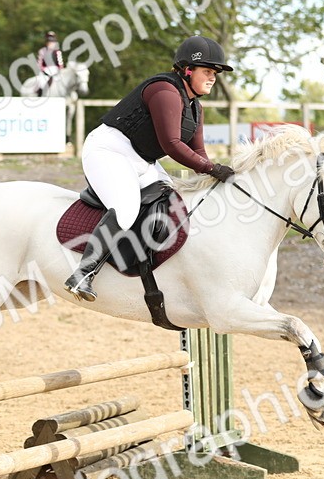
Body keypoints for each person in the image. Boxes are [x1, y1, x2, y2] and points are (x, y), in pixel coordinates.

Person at [64, 35, 236, 302]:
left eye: (215, 73)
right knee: (126, 208)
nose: (213, 77)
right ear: (187, 70)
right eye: (207, 71)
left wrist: (218, 176)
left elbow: (199, 153)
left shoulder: (195, 107)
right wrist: (212, 168)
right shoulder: (165, 91)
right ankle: (83, 274)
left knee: (174, 200)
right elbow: (172, 145)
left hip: (141, 159)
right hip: (108, 150)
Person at [36, 31, 64, 95]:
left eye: (53, 42)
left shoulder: (57, 52)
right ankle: (40, 95)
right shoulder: (42, 51)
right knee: (41, 82)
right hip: (45, 71)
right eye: (50, 42)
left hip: (56, 71)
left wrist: (60, 70)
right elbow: (39, 63)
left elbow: (60, 64)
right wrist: (43, 71)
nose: (51, 44)